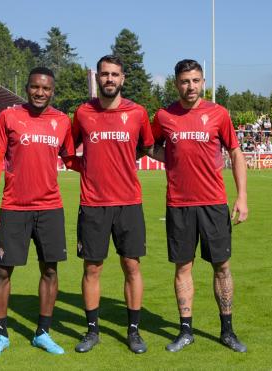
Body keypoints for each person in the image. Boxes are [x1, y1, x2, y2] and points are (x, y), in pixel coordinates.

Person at [149, 59, 248, 353]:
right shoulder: (164, 116)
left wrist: (242, 196)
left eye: (195, 80)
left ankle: (227, 331)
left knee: (222, 267)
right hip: (178, 204)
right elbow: (150, 146)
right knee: (183, 267)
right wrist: (173, 159)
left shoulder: (218, 114)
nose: (189, 86)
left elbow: (235, 152)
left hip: (214, 203)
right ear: (176, 83)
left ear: (203, 82)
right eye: (184, 81)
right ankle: (185, 331)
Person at [0, 67, 76, 358]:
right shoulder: (10, 117)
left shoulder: (62, 121)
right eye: (36, 87)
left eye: (46, 89)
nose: (40, 93)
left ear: (53, 91)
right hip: (14, 207)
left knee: (50, 270)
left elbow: (71, 159)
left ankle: (43, 333)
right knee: (2, 271)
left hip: (50, 208)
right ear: (27, 88)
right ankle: (0, 335)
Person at [69, 55, 154, 354]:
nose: (109, 79)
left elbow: (145, 146)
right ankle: (92, 331)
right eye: (104, 74)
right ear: (97, 78)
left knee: (131, 265)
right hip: (93, 203)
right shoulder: (82, 113)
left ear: (123, 79)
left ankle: (133, 331)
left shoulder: (138, 113)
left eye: (114, 74)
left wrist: (120, 166)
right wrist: (89, 169)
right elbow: (69, 150)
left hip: (129, 202)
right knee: (92, 267)